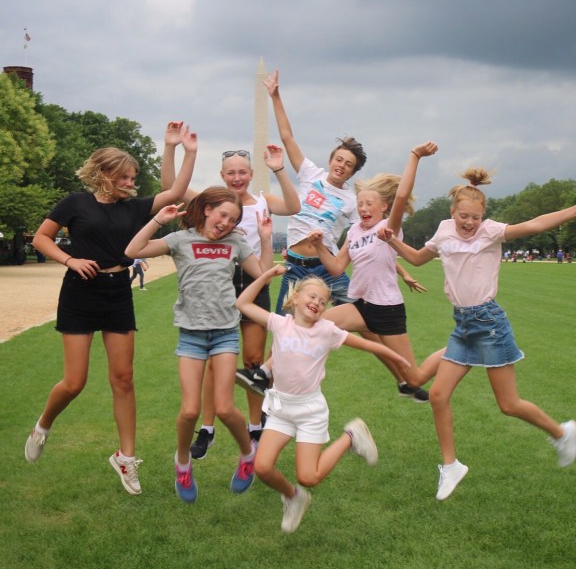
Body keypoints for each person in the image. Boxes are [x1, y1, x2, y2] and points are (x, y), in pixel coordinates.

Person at [378, 166, 576, 501]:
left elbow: (535, 224)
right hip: (463, 326)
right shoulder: (444, 231)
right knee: (437, 395)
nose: (469, 223)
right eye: (464, 216)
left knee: (508, 404)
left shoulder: (491, 231)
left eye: (475, 217)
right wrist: (392, 241)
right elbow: (419, 259)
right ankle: (451, 466)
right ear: (452, 212)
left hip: (489, 324)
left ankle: (561, 432)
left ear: (483, 216)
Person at [25, 122, 198, 496]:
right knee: (75, 382)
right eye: (124, 177)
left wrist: (183, 150)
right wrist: (70, 260)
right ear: (104, 173)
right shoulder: (75, 203)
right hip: (80, 292)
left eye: (133, 177)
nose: (131, 183)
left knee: (124, 379)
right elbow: (41, 237)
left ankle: (126, 457)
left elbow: (176, 191)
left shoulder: (134, 208)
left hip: (118, 292)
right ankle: (43, 425)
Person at [248, 68, 429, 401]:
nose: (341, 165)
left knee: (370, 326)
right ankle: (268, 383)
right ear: (330, 160)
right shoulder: (310, 174)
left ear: (353, 172)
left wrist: (401, 271)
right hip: (295, 267)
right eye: (339, 159)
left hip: (328, 269)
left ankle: (405, 381)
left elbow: (372, 242)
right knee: (287, 331)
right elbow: (287, 137)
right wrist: (275, 96)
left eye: (348, 164)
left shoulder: (352, 201)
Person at [235, 265, 412, 533]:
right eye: (312, 297)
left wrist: (395, 355)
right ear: (295, 298)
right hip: (281, 409)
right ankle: (294, 497)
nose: (317, 303)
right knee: (262, 467)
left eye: (323, 301)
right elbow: (243, 303)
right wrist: (267, 276)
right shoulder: (280, 323)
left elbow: (366, 343)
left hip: (310, 411)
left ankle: (351, 436)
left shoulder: (327, 330)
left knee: (309, 476)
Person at [125, 187, 274, 503]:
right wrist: (158, 220)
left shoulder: (235, 243)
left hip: (224, 333)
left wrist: (264, 238)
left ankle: (247, 455)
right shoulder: (181, 240)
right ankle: (182, 462)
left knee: (225, 408)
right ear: (207, 209)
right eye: (223, 215)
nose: (226, 223)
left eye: (233, 220)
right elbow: (132, 250)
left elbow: (264, 275)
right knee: (190, 410)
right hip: (191, 336)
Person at [161, 136, 300, 460]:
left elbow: (294, 207)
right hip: (219, 282)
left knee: (252, 362)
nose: (237, 178)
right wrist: (175, 149)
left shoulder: (263, 201)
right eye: (231, 173)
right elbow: (171, 187)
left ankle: (255, 426)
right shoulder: (212, 202)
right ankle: (207, 429)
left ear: (251, 173)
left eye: (242, 172)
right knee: (215, 359)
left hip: (254, 280)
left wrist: (279, 170)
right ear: (222, 175)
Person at [307, 142, 446, 396]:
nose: (363, 209)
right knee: (312, 323)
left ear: (384, 207)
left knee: (414, 378)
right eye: (360, 204)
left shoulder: (387, 227)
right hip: (361, 306)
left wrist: (415, 155)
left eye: (369, 204)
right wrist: (319, 247)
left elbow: (401, 196)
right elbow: (336, 267)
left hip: (387, 310)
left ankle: (459, 348)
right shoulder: (354, 231)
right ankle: (284, 379)